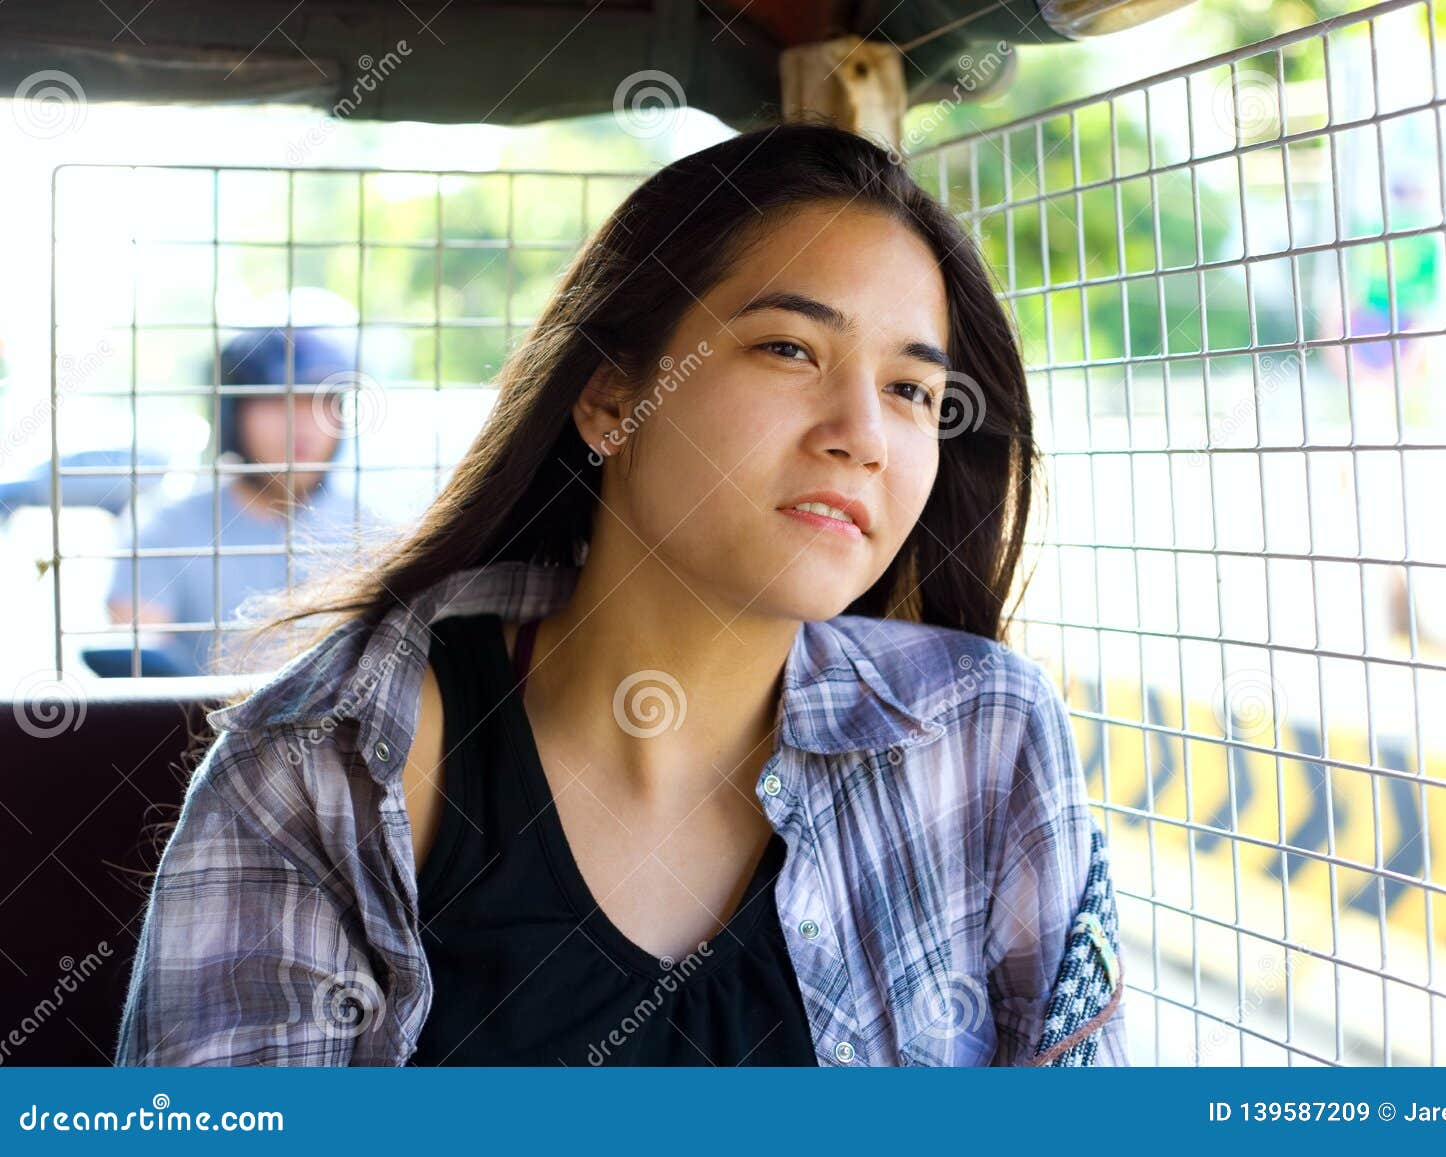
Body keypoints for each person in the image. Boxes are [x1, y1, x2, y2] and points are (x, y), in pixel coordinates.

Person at [113, 121, 1129, 1067]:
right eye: (789, 348)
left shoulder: (986, 734)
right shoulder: (325, 759)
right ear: (610, 399)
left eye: (912, 389)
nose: (863, 432)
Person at [105, 326, 385, 675]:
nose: (301, 423)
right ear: (232, 414)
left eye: (320, 401)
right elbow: (140, 666)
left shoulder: (373, 533)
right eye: (275, 401)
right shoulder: (164, 528)